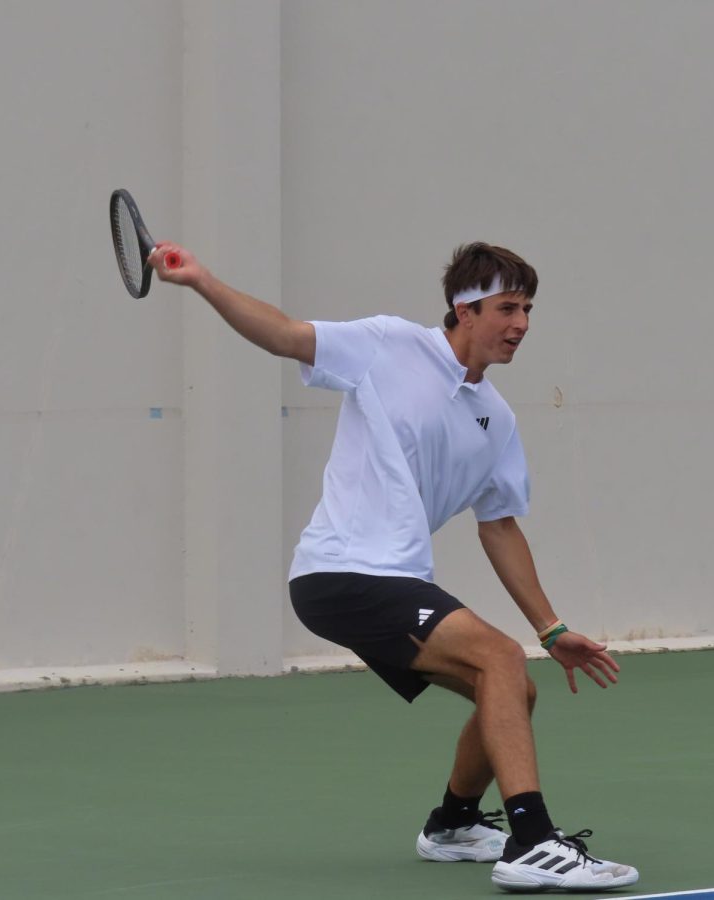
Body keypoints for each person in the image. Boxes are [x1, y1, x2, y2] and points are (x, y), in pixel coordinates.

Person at [148, 240, 639, 893]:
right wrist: (203, 281)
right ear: (464, 310)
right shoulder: (387, 346)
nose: (521, 323)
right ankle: (533, 841)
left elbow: (498, 525)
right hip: (341, 570)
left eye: (528, 309)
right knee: (499, 658)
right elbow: (286, 336)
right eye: (507, 307)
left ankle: (454, 825)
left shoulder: (496, 418)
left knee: (512, 689)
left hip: (398, 579)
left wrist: (551, 629)